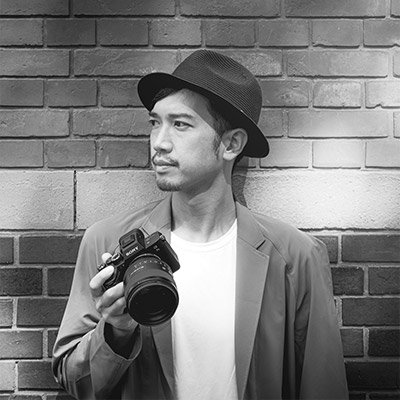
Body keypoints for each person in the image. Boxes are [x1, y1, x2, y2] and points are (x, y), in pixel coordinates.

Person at [52, 50, 349, 400]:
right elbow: (75, 381)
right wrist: (115, 331)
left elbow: (323, 387)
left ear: (231, 144)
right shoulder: (108, 242)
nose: (159, 143)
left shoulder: (295, 257)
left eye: (180, 124)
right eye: (155, 123)